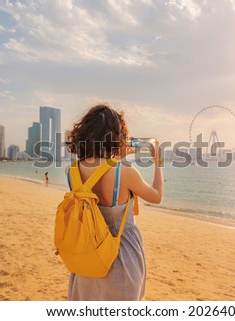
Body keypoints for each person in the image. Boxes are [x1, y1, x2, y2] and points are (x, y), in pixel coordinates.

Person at [64, 103, 163, 301]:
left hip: (87, 258)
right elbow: (156, 196)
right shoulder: (125, 172)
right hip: (122, 258)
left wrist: (118, 157)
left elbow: (100, 173)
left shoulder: (71, 170)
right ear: (118, 136)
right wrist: (158, 162)